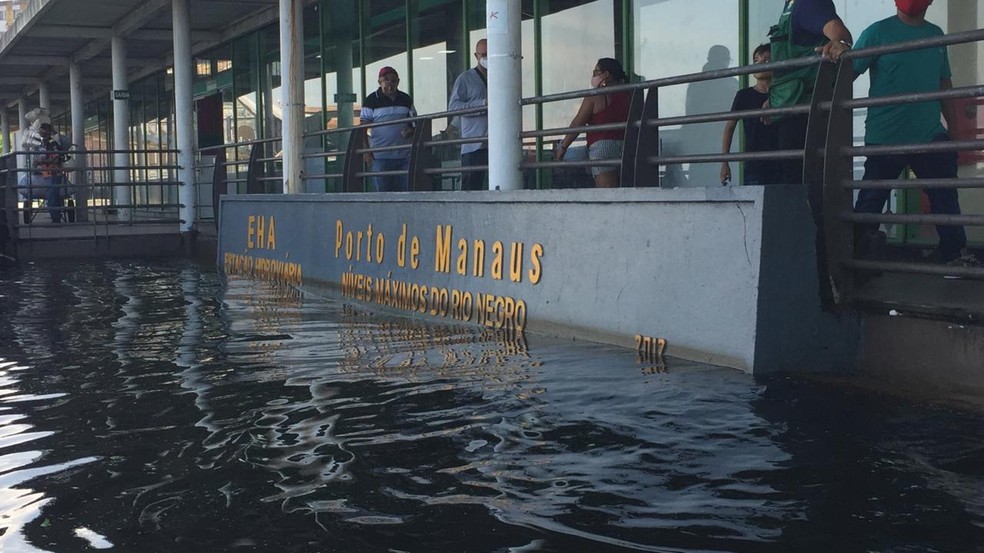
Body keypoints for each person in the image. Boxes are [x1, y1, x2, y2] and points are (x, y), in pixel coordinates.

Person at [852, 0, 979, 267]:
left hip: (929, 135)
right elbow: (846, 73)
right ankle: (856, 261)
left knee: (945, 198)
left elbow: (944, 83)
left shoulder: (935, 35)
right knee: (870, 203)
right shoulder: (876, 33)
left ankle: (954, 257)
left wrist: (954, 133)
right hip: (885, 136)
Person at [768, 0, 852, 185]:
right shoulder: (792, 6)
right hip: (790, 106)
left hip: (804, 110)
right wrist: (773, 99)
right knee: (794, 182)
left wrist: (839, 42)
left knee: (800, 184)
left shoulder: (808, 3)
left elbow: (839, 33)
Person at [553, 58, 631, 188]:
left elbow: (577, 123)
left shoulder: (595, 95)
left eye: (595, 72)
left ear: (606, 74)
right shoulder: (629, 93)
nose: (593, 76)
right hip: (627, 146)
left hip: (603, 148)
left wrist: (563, 147)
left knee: (608, 196)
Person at [720, 43, 779, 186]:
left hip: (781, 161)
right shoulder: (744, 95)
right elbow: (729, 127)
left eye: (766, 60)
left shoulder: (782, 94)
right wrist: (724, 162)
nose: (760, 64)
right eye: (756, 60)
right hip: (754, 163)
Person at [360, 66, 416, 192]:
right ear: (379, 82)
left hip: (405, 156)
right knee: (383, 194)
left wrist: (410, 131)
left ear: (398, 82)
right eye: (386, 80)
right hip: (380, 157)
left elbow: (415, 124)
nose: (390, 84)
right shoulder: (371, 100)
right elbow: (362, 128)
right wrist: (366, 151)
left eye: (393, 80)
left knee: (406, 193)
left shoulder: (405, 99)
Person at [448, 39, 488, 191]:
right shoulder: (465, 79)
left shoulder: (502, 77)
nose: (486, 58)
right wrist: (482, 104)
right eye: (483, 55)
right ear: (476, 56)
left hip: (497, 144)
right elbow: (453, 108)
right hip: (474, 146)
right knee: (471, 190)